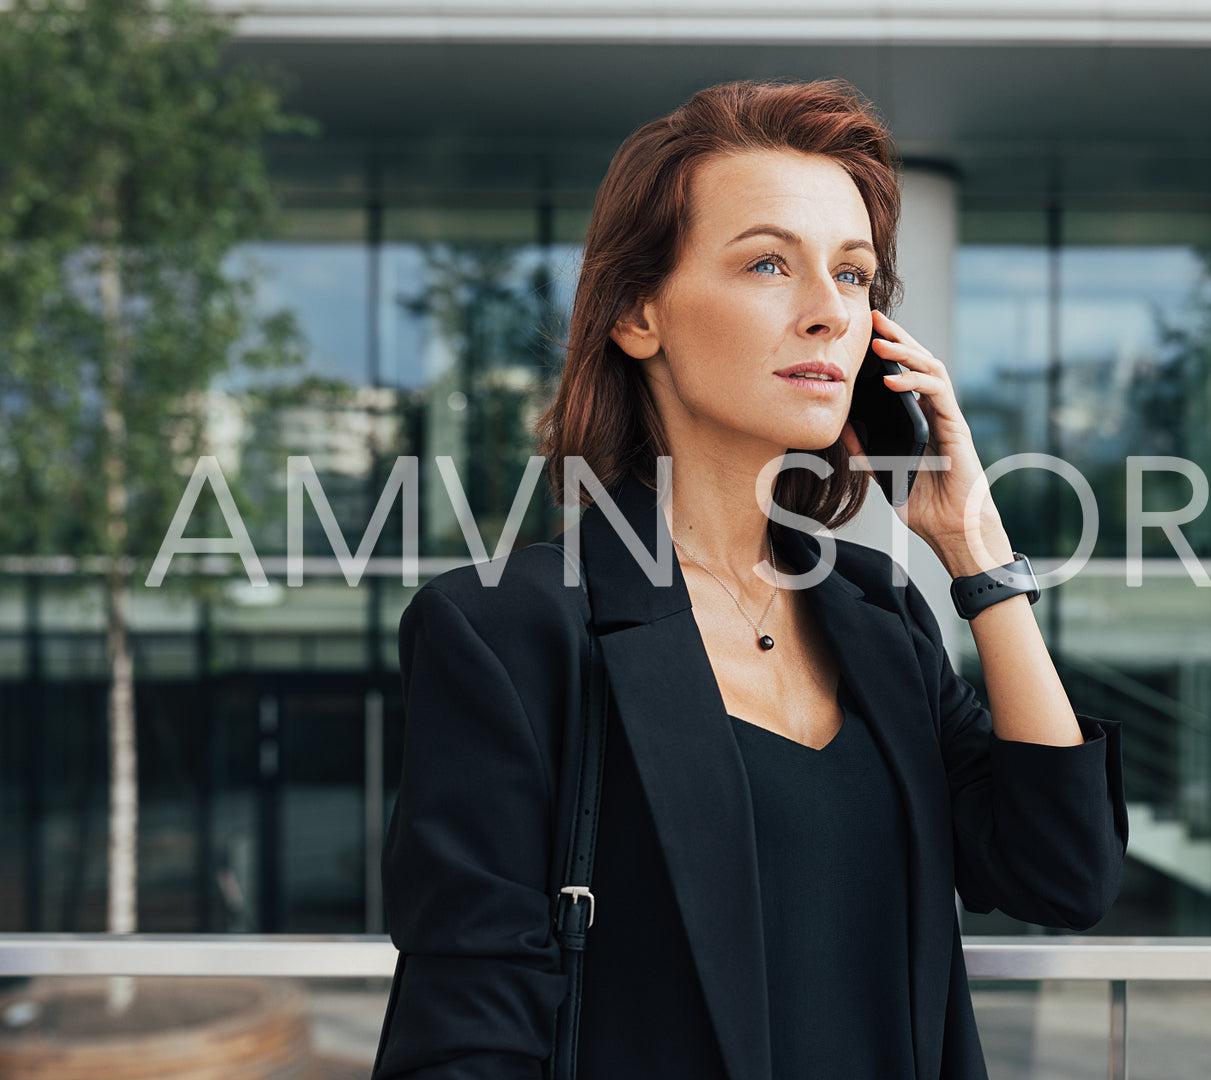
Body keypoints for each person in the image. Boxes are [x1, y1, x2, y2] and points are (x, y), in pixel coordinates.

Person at [369, 77, 1128, 1080]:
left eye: (853, 277)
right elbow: (466, 1035)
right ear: (638, 314)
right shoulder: (504, 631)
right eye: (769, 263)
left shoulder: (879, 615)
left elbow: (1064, 874)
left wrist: (976, 556)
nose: (827, 314)